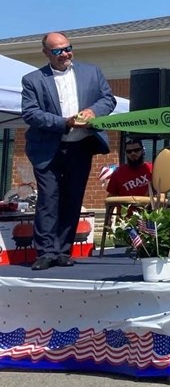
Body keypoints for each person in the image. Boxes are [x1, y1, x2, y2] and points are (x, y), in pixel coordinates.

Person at [21, 32, 117, 270]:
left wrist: (94, 111)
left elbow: (108, 99)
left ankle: (63, 251)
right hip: (48, 148)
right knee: (48, 199)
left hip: (80, 146)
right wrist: (65, 122)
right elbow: (31, 113)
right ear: (46, 53)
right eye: (57, 51)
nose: (65, 54)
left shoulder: (91, 72)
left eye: (67, 48)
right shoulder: (33, 80)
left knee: (73, 199)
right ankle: (45, 252)